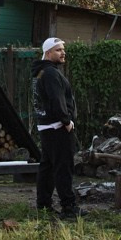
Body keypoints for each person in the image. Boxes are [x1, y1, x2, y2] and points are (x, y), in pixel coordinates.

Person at [32, 38, 80, 219]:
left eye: (63, 49)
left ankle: (43, 203)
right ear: (48, 53)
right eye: (58, 50)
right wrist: (66, 121)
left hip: (46, 126)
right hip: (57, 127)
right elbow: (56, 99)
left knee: (48, 166)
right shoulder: (51, 73)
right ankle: (69, 208)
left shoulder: (40, 72)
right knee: (63, 167)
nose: (63, 53)